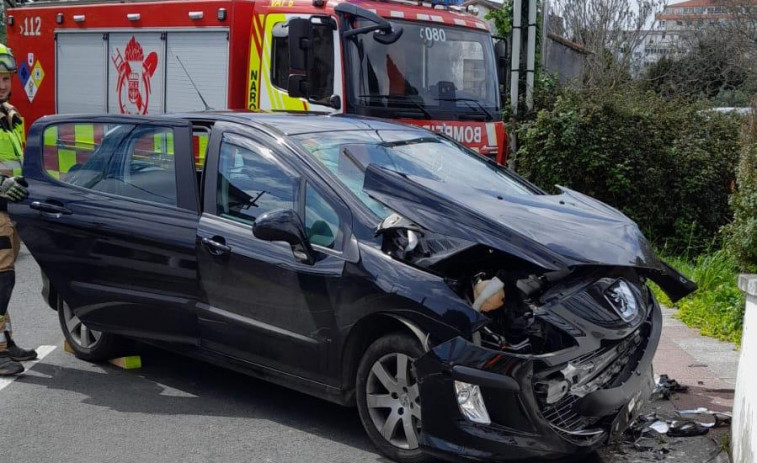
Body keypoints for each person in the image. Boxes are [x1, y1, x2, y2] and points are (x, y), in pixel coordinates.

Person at [0, 43, 37, 376]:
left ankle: (5, 340)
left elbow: (16, 163)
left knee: (5, 278)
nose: (1, 84)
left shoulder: (10, 116)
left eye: (5, 77)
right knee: (1, 279)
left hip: (8, 210)